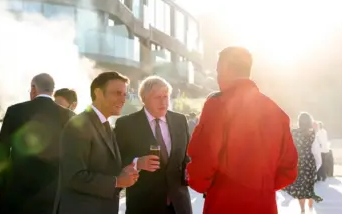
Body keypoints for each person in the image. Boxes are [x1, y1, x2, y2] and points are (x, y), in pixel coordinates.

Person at [187, 46, 298, 214]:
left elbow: (204, 157)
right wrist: (262, 186)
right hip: (263, 205)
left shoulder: (217, 105)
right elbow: (289, 168)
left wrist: (202, 184)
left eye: (218, 70)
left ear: (226, 69)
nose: (217, 75)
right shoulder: (277, 112)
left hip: (224, 203)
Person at [55, 71, 138, 214]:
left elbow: (102, 167)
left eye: (125, 94)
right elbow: (74, 177)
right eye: (117, 93)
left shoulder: (105, 125)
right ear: (98, 93)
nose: (123, 99)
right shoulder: (79, 124)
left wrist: (124, 171)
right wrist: (117, 181)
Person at [0, 73, 75, 214]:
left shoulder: (15, 111)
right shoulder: (68, 116)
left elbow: (3, 148)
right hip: (52, 192)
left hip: (17, 189)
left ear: (33, 88)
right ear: (52, 91)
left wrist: (1, 183)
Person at [114, 76, 192, 214]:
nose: (164, 102)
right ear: (144, 99)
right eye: (158, 97)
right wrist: (137, 163)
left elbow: (187, 155)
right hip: (144, 205)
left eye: (166, 96)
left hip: (179, 205)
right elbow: (115, 160)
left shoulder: (180, 120)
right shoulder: (126, 124)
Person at [284, 112, 323, 213]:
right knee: (309, 186)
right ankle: (310, 209)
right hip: (310, 163)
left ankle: (302, 210)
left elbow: (289, 148)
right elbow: (316, 150)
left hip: (298, 162)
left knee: (301, 188)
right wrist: (318, 165)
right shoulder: (313, 133)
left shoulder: (294, 133)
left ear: (299, 122)